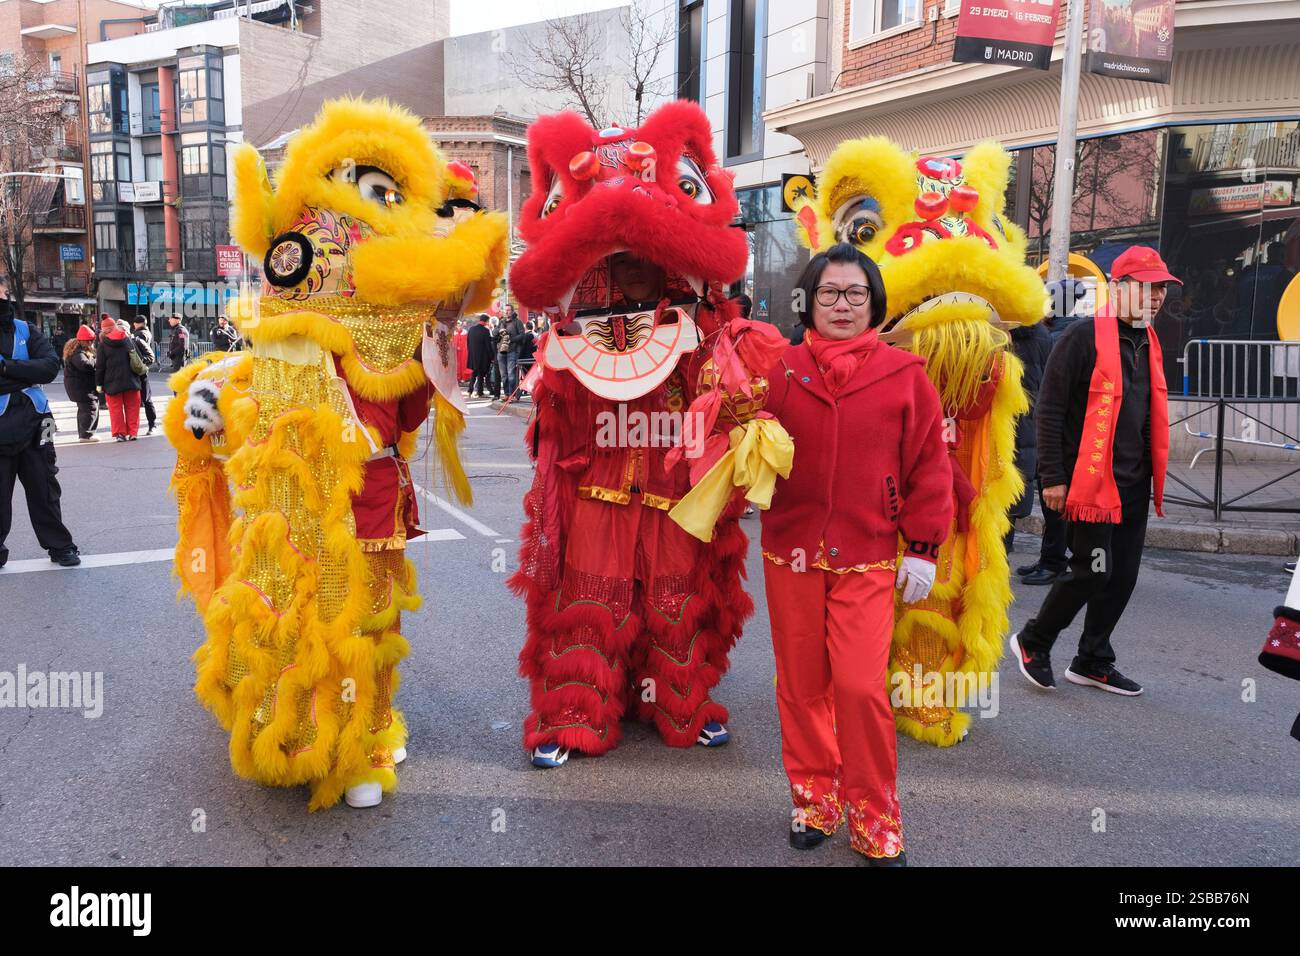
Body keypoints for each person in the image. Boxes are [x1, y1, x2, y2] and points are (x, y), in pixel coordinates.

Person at [760, 243, 953, 866]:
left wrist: (922, 547)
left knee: (861, 688)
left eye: (855, 294)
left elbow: (929, 465)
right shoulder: (777, 371)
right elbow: (741, 448)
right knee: (801, 685)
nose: (842, 305)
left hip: (867, 555)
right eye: (829, 293)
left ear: (874, 303)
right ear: (809, 302)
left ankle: (873, 811)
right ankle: (814, 799)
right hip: (789, 554)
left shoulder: (905, 374)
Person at [1010, 246, 1177, 697]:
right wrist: (1053, 477)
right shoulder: (1081, 338)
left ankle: (1093, 660)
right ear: (1118, 288)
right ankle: (1033, 640)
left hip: (1133, 484)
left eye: (1161, 287)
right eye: (1145, 286)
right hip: (1088, 482)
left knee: (1121, 575)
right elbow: (1048, 409)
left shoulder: (1149, 342)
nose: (1156, 296)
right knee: (1090, 570)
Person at [0, 286, 80, 568]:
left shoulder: (25, 329)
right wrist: (24, 372)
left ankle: (60, 546)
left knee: (45, 485)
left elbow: (49, 367)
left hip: (40, 421)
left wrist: (7, 369)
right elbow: (38, 369)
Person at [1019, 279, 1090, 584]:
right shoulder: (1062, 331)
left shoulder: (1059, 335)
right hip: (1057, 427)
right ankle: (1051, 559)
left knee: (1055, 500)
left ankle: (1056, 561)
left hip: (1057, 429)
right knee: (1052, 501)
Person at [96, 322, 143, 441]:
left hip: (112, 383)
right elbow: (139, 358)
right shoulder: (128, 340)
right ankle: (133, 433)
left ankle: (120, 434)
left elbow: (100, 367)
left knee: (115, 409)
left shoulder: (103, 345)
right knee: (133, 407)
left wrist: (99, 384)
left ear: (104, 330)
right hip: (131, 380)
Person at [62, 326, 100, 442]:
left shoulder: (76, 350)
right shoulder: (78, 353)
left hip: (79, 386)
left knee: (84, 409)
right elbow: (85, 365)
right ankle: (86, 435)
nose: (91, 343)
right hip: (81, 387)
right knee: (90, 408)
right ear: (84, 340)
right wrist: (95, 360)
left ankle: (84, 434)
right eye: (90, 341)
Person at [129, 316, 158, 434]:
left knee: (146, 399)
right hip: (141, 369)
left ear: (136, 324)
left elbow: (146, 355)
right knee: (145, 398)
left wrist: (139, 361)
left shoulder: (139, 336)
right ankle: (151, 424)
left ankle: (152, 424)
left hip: (139, 369)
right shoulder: (146, 332)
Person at [497, 302, 524, 401]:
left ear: (512, 311)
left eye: (508, 310)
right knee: (503, 375)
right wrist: (499, 331)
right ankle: (506, 394)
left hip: (512, 351)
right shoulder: (501, 322)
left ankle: (512, 395)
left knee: (511, 374)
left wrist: (511, 339)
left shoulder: (517, 322)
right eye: (505, 310)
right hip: (501, 351)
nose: (506, 312)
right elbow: (494, 334)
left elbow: (522, 335)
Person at [465, 313, 495, 398]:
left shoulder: (471, 329)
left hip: (473, 356)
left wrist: (471, 352)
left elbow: (468, 343)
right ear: (487, 321)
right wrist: (492, 357)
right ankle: (480, 392)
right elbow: (488, 346)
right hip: (483, 357)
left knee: (474, 374)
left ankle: (470, 391)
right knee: (481, 374)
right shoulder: (485, 331)